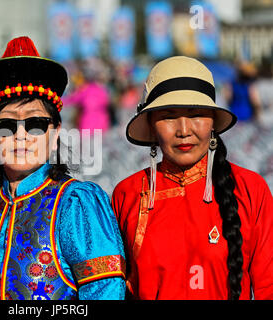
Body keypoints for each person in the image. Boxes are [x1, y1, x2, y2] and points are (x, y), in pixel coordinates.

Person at [0, 36, 126, 300]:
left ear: (55, 132)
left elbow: (105, 292)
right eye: (5, 125)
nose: (20, 135)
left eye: (36, 123)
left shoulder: (75, 205)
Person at [112, 56, 273, 300]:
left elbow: (267, 287)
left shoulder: (250, 189)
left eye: (196, 113)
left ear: (213, 123)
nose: (184, 130)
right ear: (152, 125)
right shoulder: (129, 193)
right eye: (168, 116)